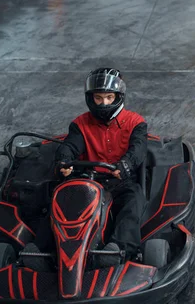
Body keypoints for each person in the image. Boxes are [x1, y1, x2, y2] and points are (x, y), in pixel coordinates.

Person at [52, 67, 147, 267]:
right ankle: (44, 247)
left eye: (109, 97)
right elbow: (69, 146)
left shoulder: (135, 122)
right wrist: (64, 162)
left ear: (118, 96)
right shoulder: (80, 123)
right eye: (98, 98)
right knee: (57, 197)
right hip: (88, 180)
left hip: (120, 180)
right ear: (90, 98)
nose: (104, 103)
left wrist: (126, 164)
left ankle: (119, 248)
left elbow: (138, 149)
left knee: (134, 199)